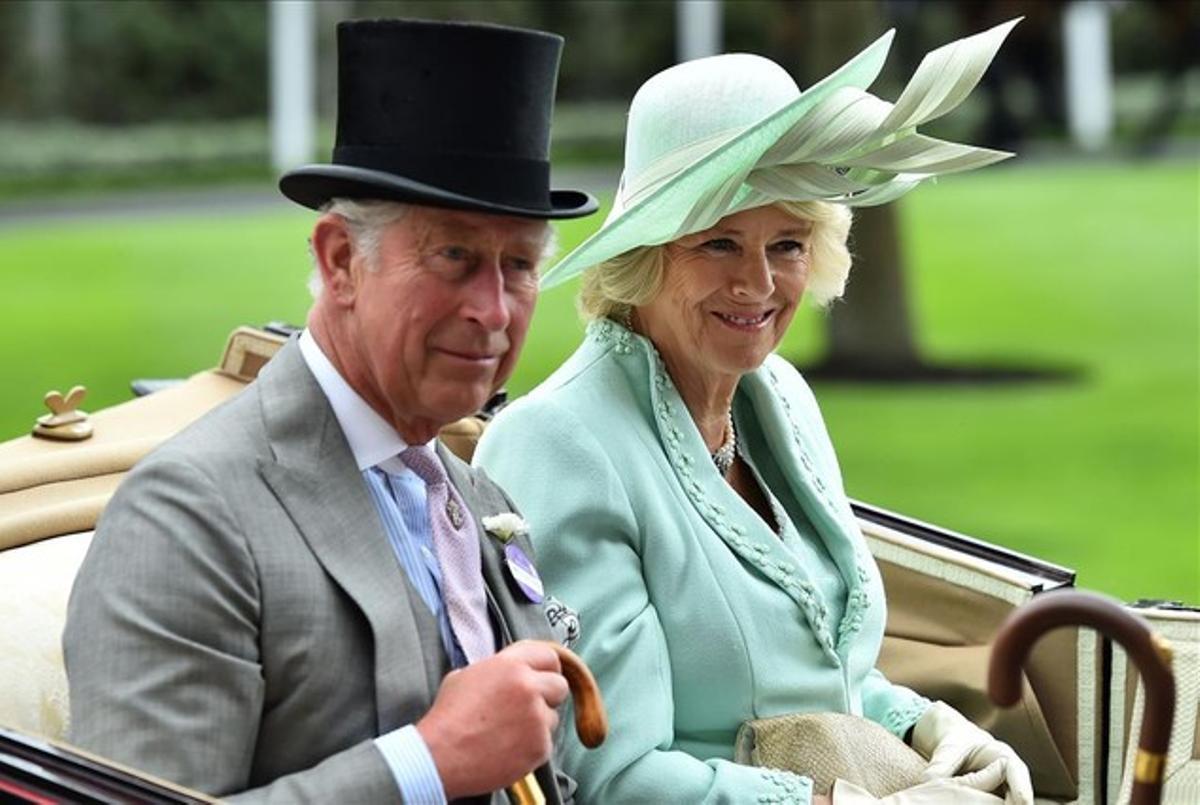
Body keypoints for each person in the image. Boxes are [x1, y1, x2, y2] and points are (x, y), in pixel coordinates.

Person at [475, 20, 1034, 805]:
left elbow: (817, 674)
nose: (759, 285)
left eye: (788, 244)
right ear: (643, 256)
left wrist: (925, 728)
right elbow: (610, 777)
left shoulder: (782, 398)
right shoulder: (561, 443)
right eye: (719, 245)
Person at [64, 19, 597, 804]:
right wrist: (426, 761)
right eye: (454, 256)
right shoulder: (190, 513)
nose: (493, 310)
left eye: (517, 265)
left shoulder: (477, 497)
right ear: (340, 260)